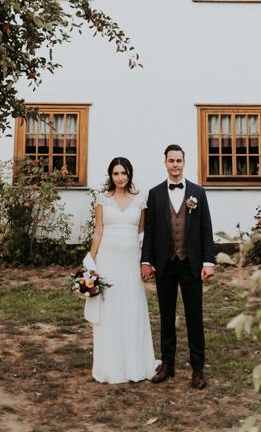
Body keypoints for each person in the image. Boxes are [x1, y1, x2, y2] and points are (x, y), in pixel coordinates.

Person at [141, 144, 215, 389]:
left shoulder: (198, 192)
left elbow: (206, 229)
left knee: (195, 317)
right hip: (165, 264)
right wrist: (146, 261)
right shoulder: (155, 194)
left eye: (179, 161)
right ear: (165, 163)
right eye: (171, 160)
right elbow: (150, 231)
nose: (175, 164)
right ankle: (167, 365)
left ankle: (197, 369)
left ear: (184, 163)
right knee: (166, 316)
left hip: (191, 264)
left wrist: (208, 261)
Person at [88, 157, 158, 383]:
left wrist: (145, 261)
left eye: (124, 174)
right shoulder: (103, 199)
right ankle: (110, 365)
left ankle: (135, 363)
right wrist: (92, 262)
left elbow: (142, 233)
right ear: (111, 175)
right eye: (116, 173)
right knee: (110, 309)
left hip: (130, 260)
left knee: (131, 307)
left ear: (130, 175)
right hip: (107, 260)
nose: (120, 178)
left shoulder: (140, 200)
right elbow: (98, 231)